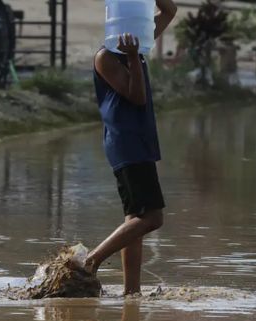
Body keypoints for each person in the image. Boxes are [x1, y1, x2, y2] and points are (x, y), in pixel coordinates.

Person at [84, 0, 177, 295]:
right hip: (126, 143)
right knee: (152, 218)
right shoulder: (106, 58)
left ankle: (131, 292)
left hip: (138, 140)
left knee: (134, 219)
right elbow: (136, 97)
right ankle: (91, 260)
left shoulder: (142, 44)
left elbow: (170, 11)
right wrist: (134, 57)